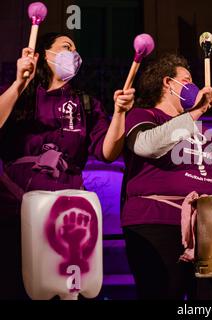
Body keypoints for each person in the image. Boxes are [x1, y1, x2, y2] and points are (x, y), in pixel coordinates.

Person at [0, 32, 135, 299]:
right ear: (42, 56)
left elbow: (107, 152)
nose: (72, 53)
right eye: (65, 47)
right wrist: (18, 84)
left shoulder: (86, 103)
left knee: (67, 288)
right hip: (15, 208)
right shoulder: (20, 94)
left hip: (67, 213)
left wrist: (120, 113)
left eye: (75, 49)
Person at [121, 53, 212, 300]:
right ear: (167, 83)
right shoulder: (144, 116)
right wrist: (194, 113)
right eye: (187, 80)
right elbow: (145, 145)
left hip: (209, 226)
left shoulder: (201, 131)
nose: (193, 87)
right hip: (157, 223)